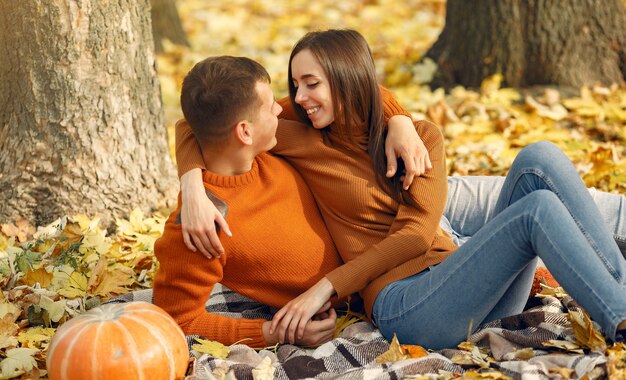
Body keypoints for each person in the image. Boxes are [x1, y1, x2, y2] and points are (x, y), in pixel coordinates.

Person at [177, 29, 626, 350]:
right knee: (537, 210)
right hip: (404, 306)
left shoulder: (422, 139)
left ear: (349, 78)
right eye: (294, 85)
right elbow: (201, 121)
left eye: (312, 83)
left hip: (462, 285)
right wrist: (192, 185)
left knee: (541, 158)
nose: (299, 98)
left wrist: (401, 119)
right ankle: (619, 317)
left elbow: (415, 235)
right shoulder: (295, 131)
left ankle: (619, 295)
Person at [153, 56, 345, 348]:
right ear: (244, 131)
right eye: (270, 107)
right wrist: (275, 332)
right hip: (384, 285)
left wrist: (400, 121)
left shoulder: (266, 148)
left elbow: (352, 92)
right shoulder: (200, 227)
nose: (281, 108)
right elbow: (178, 321)